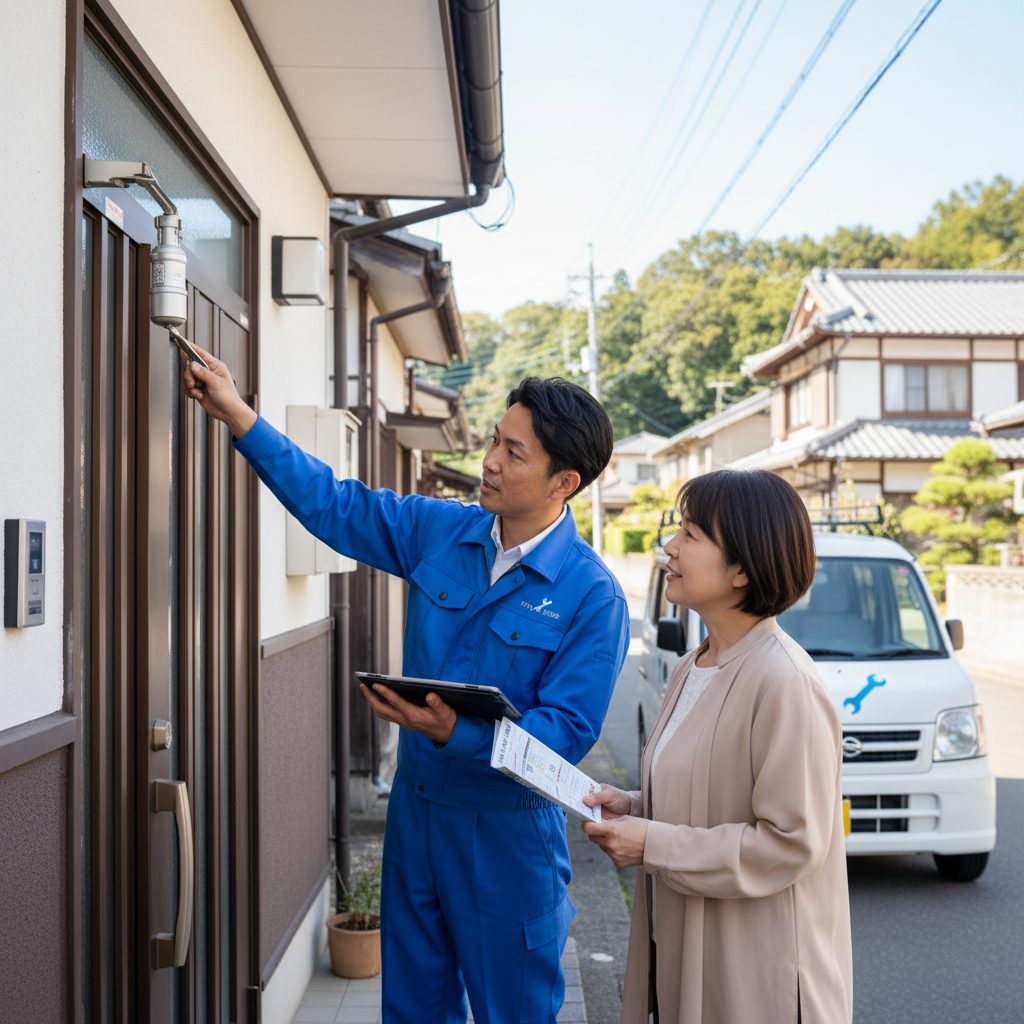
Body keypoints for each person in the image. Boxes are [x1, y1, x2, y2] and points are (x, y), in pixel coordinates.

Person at [179, 349, 630, 1024]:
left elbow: (564, 735)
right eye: (492, 442)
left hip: (506, 836)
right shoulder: (442, 529)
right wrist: (242, 419)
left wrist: (456, 731)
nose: (490, 462)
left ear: (563, 481)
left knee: (515, 1013)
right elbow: (335, 506)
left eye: (513, 452)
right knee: (414, 1010)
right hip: (417, 816)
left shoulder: (593, 596)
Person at [581, 469, 853, 1024]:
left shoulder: (784, 681)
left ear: (743, 569)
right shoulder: (693, 665)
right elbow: (709, 789)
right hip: (690, 950)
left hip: (757, 977)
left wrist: (652, 842)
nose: (668, 548)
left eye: (691, 535)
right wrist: (633, 806)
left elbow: (792, 842)